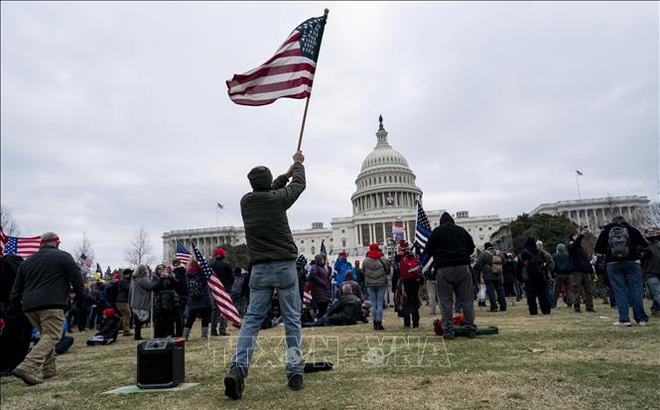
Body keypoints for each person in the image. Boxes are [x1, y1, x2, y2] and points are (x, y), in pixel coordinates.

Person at [224, 150, 306, 400]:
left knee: (251, 321)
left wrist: (285, 174)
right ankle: (294, 372)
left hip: (258, 269)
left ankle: (238, 368)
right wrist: (298, 165)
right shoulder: (277, 200)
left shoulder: (246, 202)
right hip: (284, 266)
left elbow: (270, 190)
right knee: (291, 320)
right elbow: (300, 186)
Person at [8, 232, 84, 385]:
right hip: (52, 303)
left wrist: (15, 305)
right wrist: (80, 298)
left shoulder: (27, 261)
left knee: (45, 336)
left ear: (41, 244)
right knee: (52, 335)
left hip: (29, 306)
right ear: (57, 243)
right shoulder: (63, 256)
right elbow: (76, 278)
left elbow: (16, 289)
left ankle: (50, 369)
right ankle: (27, 366)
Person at [424, 212, 477, 340]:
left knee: (446, 301)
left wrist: (439, 254)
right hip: (462, 267)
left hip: (443, 267)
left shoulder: (437, 232)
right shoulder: (461, 231)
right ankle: (470, 329)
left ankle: (448, 331)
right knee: (466, 301)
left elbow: (428, 250)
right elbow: (471, 248)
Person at [594, 216, 649, 326]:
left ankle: (624, 319)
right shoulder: (633, 230)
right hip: (632, 262)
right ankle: (641, 318)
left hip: (613, 263)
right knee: (636, 291)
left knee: (619, 291)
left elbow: (598, 249)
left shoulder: (606, 232)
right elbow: (645, 247)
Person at [517, 237, 551, 316]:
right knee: (542, 294)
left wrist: (519, 278)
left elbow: (519, 267)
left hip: (529, 277)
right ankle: (546, 310)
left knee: (531, 295)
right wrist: (546, 275)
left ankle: (533, 310)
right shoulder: (540, 252)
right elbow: (545, 265)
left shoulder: (523, 254)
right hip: (540, 276)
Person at [362, 242, 391, 331]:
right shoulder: (383, 259)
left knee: (373, 304)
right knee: (379, 304)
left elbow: (363, 272)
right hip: (381, 283)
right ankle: (379, 323)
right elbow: (388, 271)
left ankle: (374, 323)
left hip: (370, 284)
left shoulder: (366, 260)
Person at [392, 241, 421, 328]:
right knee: (415, 301)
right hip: (415, 281)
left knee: (405, 302)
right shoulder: (413, 256)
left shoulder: (398, 258)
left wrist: (394, 286)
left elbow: (395, 272)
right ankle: (416, 322)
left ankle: (407, 323)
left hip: (403, 282)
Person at [183, 258, 213, 340]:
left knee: (190, 318)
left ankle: (185, 336)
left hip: (193, 299)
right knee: (205, 317)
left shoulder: (187, 274)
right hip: (204, 298)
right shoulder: (202, 272)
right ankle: (204, 336)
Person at [568, 227, 596, 313]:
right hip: (576, 271)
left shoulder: (581, 248)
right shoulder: (571, 246)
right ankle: (577, 307)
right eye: (575, 235)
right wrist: (581, 235)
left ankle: (589, 307)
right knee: (576, 290)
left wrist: (591, 271)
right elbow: (575, 244)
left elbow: (586, 260)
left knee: (589, 290)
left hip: (585, 271)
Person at [473, 242, 506, 313]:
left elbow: (478, 264)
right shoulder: (499, 252)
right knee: (500, 291)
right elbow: (504, 261)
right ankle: (503, 306)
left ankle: (493, 307)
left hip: (488, 275)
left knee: (491, 292)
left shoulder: (483, 253)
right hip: (498, 274)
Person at [129, 265, 158, 341]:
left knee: (137, 320)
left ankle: (137, 335)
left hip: (135, 302)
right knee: (143, 318)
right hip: (142, 302)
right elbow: (150, 286)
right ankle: (138, 335)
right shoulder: (142, 280)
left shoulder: (134, 280)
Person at [210, 247, 234, 336]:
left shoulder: (211, 266)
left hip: (214, 290)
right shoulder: (226, 265)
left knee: (215, 311)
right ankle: (222, 330)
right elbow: (231, 278)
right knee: (224, 310)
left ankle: (213, 330)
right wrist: (229, 287)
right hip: (224, 290)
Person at [152, 264, 180, 338]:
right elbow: (154, 287)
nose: (162, 269)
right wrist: (161, 278)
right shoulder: (155, 277)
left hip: (171, 299)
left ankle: (171, 334)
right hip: (160, 300)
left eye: (163, 267)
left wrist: (168, 276)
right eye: (159, 268)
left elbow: (177, 283)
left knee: (171, 318)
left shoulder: (171, 275)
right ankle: (160, 335)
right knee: (160, 319)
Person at [641, 228, 660, 317]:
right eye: (650, 234)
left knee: (654, 293)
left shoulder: (659, 244)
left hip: (656, 271)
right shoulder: (643, 246)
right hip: (649, 272)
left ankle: (655, 309)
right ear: (645, 235)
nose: (652, 235)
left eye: (653, 233)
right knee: (657, 292)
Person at [309, 253, 332, 318]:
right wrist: (322, 282)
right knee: (321, 303)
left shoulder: (323, 267)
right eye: (322, 259)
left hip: (324, 288)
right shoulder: (315, 267)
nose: (323, 260)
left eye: (324, 259)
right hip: (318, 289)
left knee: (325, 303)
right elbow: (314, 276)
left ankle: (321, 318)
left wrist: (328, 278)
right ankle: (320, 318)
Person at [171, 258, 188, 337]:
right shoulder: (185, 272)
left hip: (177, 295)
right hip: (184, 294)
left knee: (178, 315)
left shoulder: (174, 273)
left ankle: (179, 332)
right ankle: (182, 330)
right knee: (181, 314)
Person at [536, 241, 556, 310]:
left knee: (540, 291)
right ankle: (551, 304)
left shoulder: (535, 255)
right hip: (547, 274)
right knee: (548, 290)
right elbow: (552, 265)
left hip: (538, 275)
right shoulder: (547, 254)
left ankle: (542, 304)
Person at [552, 244, 572, 308]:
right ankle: (570, 302)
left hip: (558, 274)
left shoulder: (555, 256)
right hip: (567, 274)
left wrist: (553, 274)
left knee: (556, 290)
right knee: (569, 289)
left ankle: (554, 303)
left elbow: (553, 266)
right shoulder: (568, 256)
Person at [116, 269, 133, 336]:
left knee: (125, 316)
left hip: (123, 301)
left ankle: (116, 328)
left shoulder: (126, 281)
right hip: (122, 301)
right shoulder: (123, 281)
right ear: (127, 274)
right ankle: (126, 331)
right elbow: (129, 289)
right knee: (127, 315)